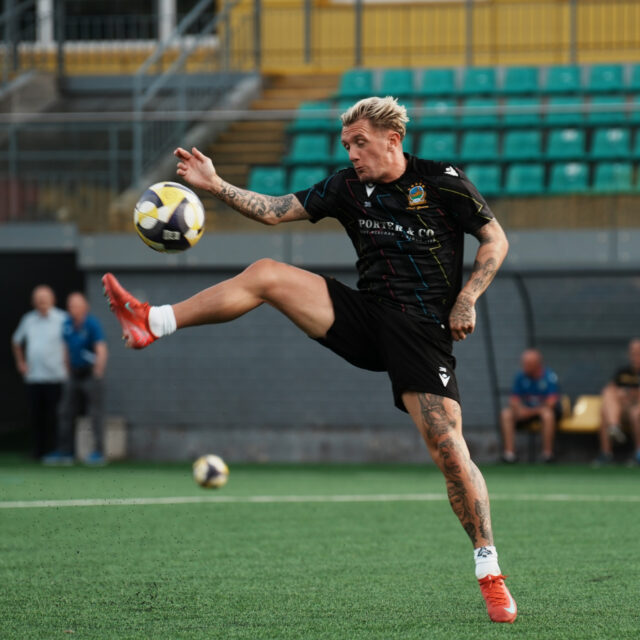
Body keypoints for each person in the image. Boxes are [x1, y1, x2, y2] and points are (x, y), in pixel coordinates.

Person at [103, 97, 516, 623]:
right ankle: (153, 321)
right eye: (346, 145)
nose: (352, 153)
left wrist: (467, 298)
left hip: (420, 332)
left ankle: (490, 573)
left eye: (360, 143)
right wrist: (215, 184)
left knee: (450, 451)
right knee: (267, 273)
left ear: (393, 139)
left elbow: (494, 239)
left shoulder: (441, 181)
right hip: (364, 316)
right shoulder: (346, 187)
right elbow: (275, 210)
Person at [45, 292, 109, 466]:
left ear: (84, 307)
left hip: (90, 374)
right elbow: (66, 348)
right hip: (74, 374)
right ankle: (65, 452)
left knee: (95, 413)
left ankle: (99, 452)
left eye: (75, 305)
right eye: (70, 305)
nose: (72, 308)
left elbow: (101, 349)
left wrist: (98, 372)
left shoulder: (92, 324)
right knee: (65, 411)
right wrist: (67, 370)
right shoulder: (66, 324)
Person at [11, 284, 67, 459]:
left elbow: (69, 343)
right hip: (34, 376)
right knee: (36, 416)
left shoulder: (62, 319)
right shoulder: (28, 319)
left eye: (45, 298)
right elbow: (16, 341)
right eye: (38, 298)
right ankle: (38, 452)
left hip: (56, 376)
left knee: (55, 416)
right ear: (33, 301)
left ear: (53, 300)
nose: (42, 301)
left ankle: (55, 450)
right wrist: (21, 362)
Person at [500, 349, 560, 464]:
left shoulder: (549, 376)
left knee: (547, 414)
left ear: (537, 364)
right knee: (506, 414)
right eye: (523, 363)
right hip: (525, 412)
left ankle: (547, 454)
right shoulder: (520, 376)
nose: (524, 366)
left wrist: (529, 411)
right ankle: (509, 455)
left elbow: (551, 403)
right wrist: (519, 409)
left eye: (527, 364)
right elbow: (513, 400)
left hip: (541, 413)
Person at [594, 338, 640, 466]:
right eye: (633, 353)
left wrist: (628, 393)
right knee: (606, 405)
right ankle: (607, 452)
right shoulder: (623, 372)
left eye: (638, 353)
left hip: (637, 408)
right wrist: (620, 394)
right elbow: (609, 389)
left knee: (636, 413)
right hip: (622, 408)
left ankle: (638, 453)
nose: (635, 357)